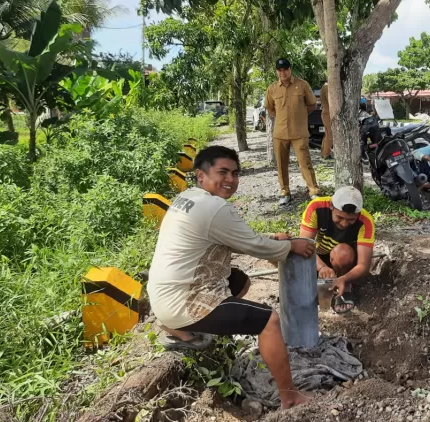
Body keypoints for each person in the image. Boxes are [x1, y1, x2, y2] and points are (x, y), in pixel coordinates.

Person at [147, 145, 315, 409]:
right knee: (268, 320)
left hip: (162, 298)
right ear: (200, 175)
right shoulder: (214, 208)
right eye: (222, 172)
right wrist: (291, 246)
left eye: (235, 173)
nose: (230, 180)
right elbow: (253, 246)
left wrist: (274, 240)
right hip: (186, 300)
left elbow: (236, 239)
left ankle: (179, 329)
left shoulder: (189, 197)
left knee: (240, 281)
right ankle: (290, 397)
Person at [299, 187, 375, 313]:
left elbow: (363, 265)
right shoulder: (316, 208)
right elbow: (304, 246)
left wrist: (344, 279)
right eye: (339, 217)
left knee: (342, 253)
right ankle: (324, 279)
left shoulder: (365, 221)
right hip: (319, 255)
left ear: (359, 214)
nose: (344, 224)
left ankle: (344, 287)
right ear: (331, 206)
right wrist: (322, 267)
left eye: (351, 219)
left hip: (346, 261)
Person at [265, 58, 320, 206]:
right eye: (279, 70)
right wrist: (281, 117)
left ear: (290, 69)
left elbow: (312, 104)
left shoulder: (302, 85)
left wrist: (300, 115)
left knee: (305, 162)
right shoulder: (272, 88)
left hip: (299, 132)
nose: (282, 73)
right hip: (280, 133)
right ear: (276, 71)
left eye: (285, 69)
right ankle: (284, 192)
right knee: (281, 164)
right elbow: (269, 108)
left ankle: (313, 190)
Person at [319, 80, 333, 160]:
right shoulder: (327, 87)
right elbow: (330, 101)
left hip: (326, 113)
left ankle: (324, 152)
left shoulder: (324, 87)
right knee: (330, 134)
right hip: (327, 113)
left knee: (327, 133)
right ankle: (326, 154)